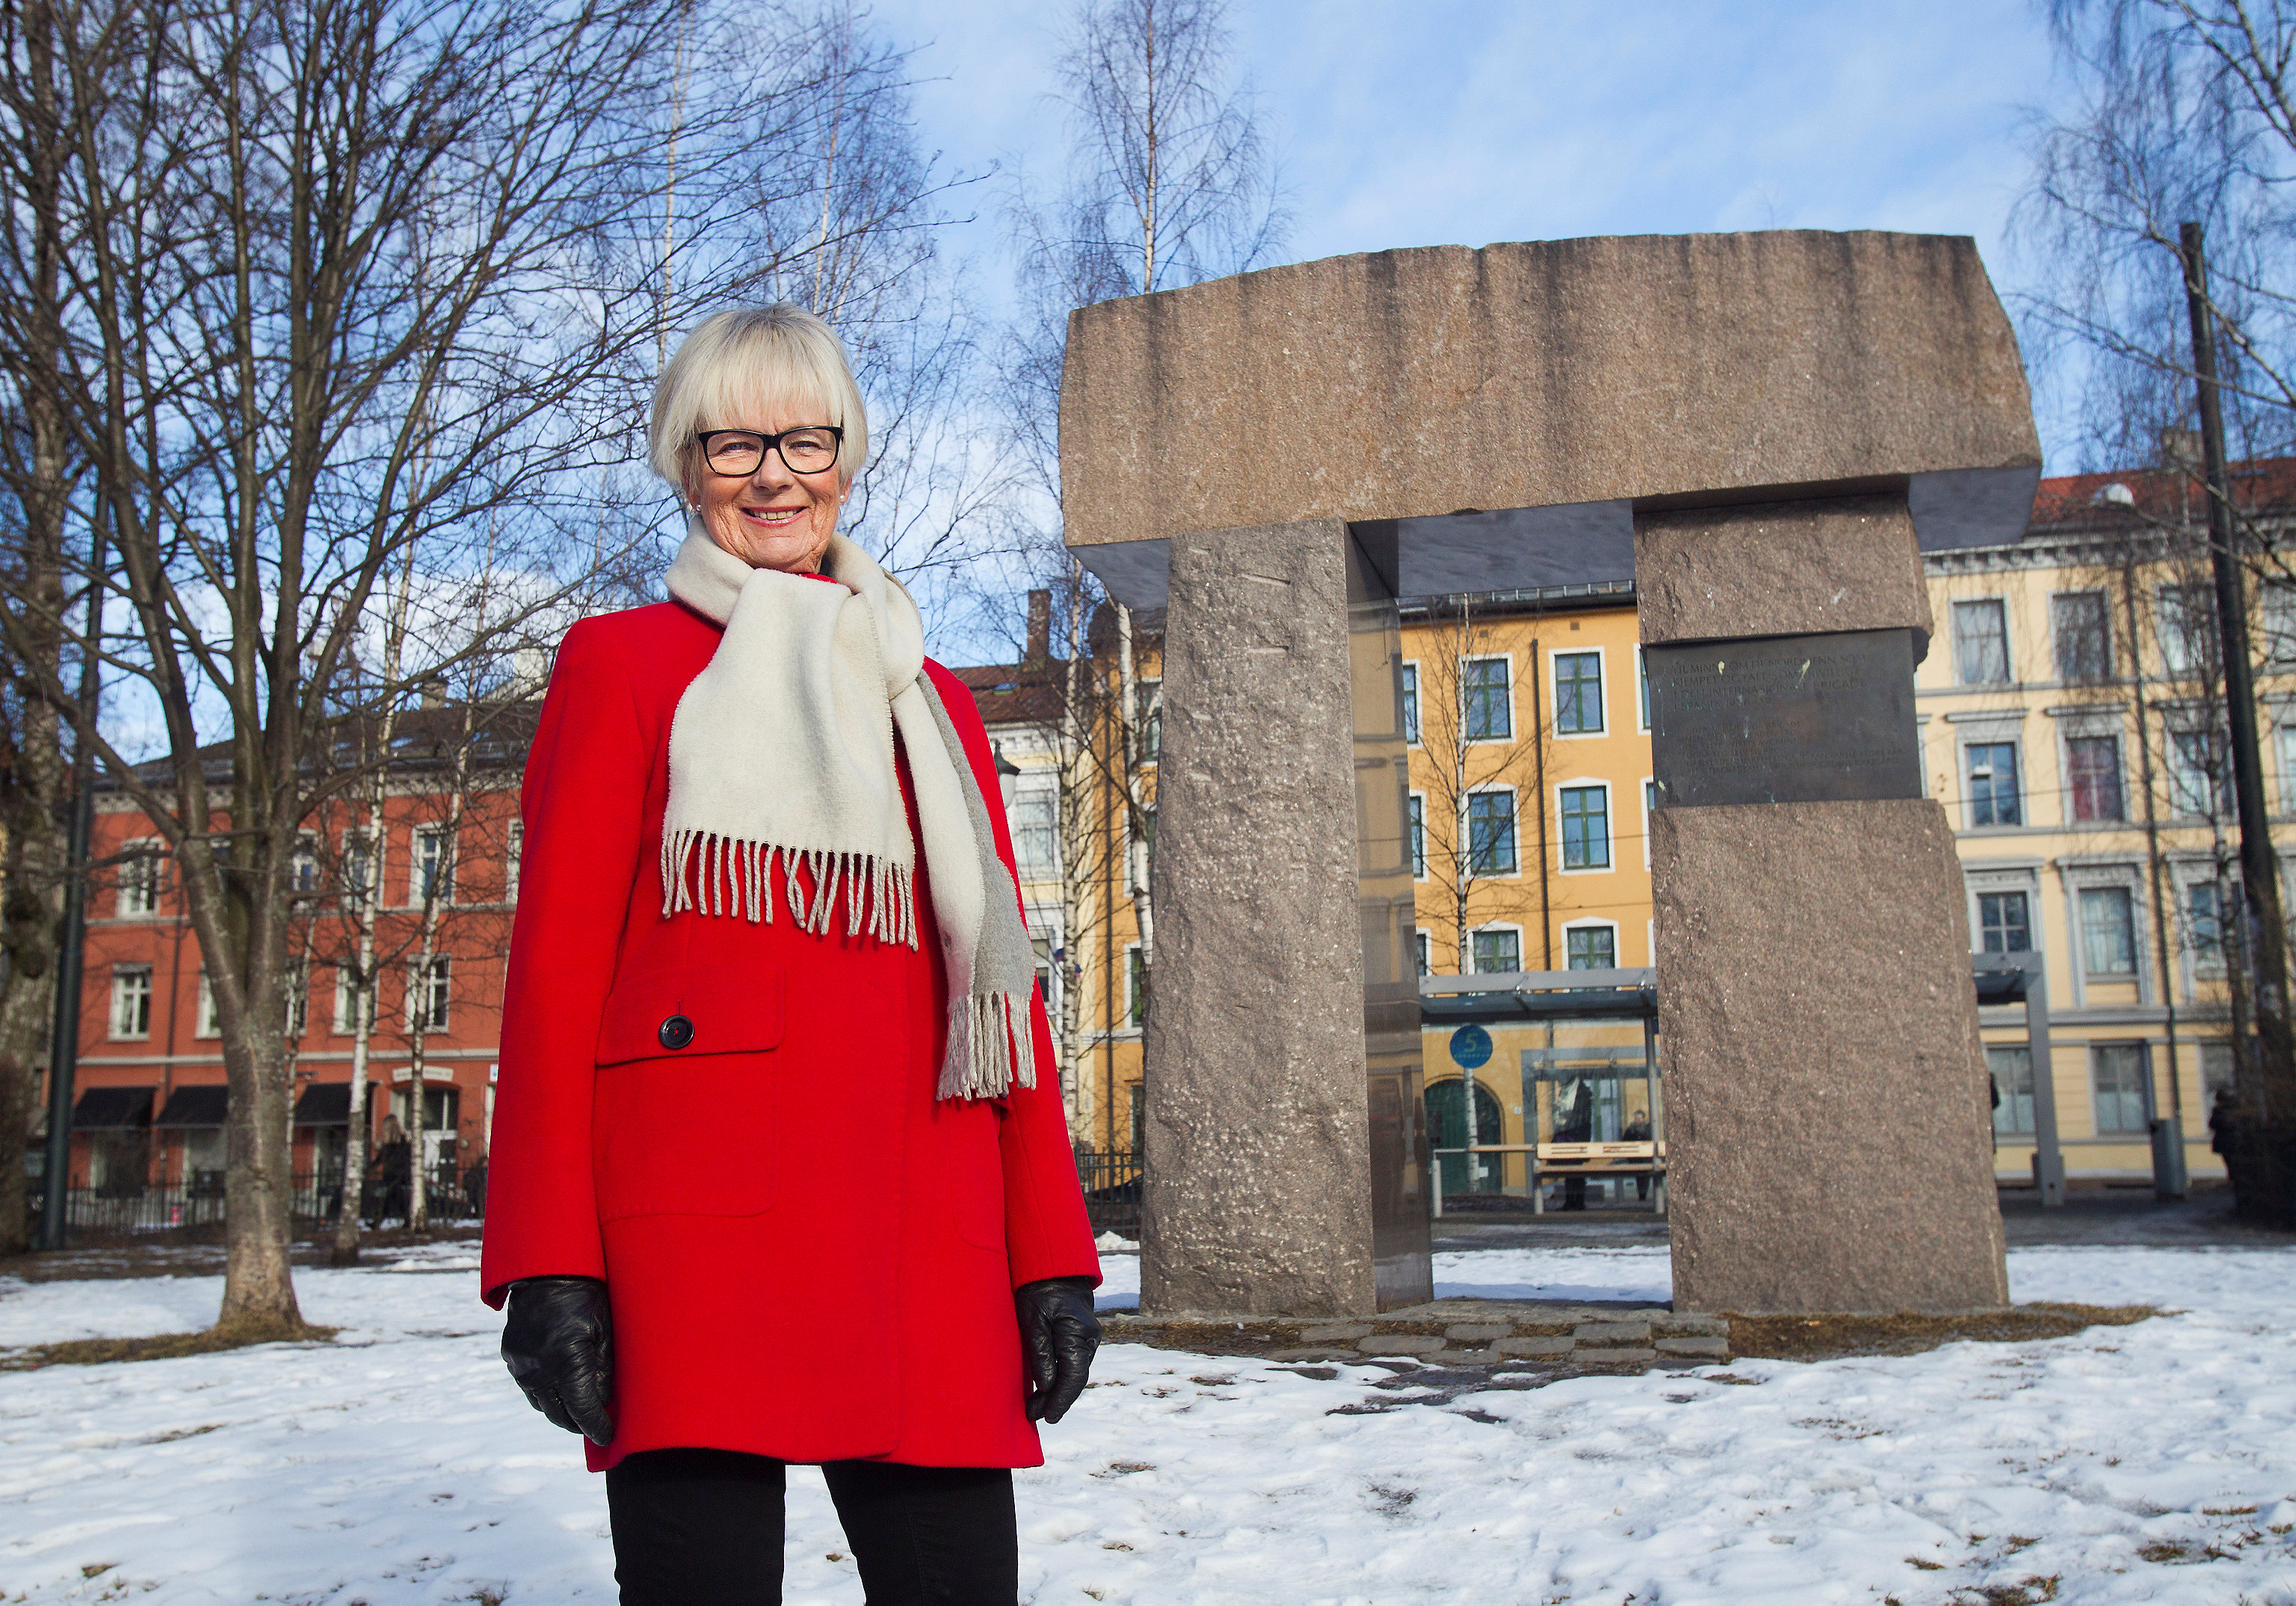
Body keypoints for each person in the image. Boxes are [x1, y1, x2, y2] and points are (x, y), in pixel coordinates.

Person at [478, 305, 1103, 1606]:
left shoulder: (927, 700)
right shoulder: (622, 664)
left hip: (921, 1228)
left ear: (848, 455)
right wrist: (548, 1257)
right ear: (684, 461)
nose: (775, 474)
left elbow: (1002, 988)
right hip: (692, 1240)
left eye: (807, 439)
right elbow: (549, 983)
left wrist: (1048, 1252)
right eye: (733, 444)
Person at [373, 1115, 411, 1225]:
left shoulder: (394, 1144)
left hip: (396, 1175)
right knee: (394, 1199)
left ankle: (377, 1222)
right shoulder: (401, 1141)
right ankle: (406, 1221)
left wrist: (372, 1166)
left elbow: (382, 1158)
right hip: (395, 1175)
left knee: (390, 1199)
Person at [1622, 1108, 1652, 1202]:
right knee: (1639, 1176)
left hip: (1646, 1157)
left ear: (1643, 1119)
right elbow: (1624, 1141)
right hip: (1635, 1158)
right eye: (1636, 1119)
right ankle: (1641, 1194)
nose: (1637, 1121)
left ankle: (1643, 1194)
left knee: (1645, 1176)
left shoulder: (1648, 1128)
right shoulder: (1630, 1129)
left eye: (1639, 1119)